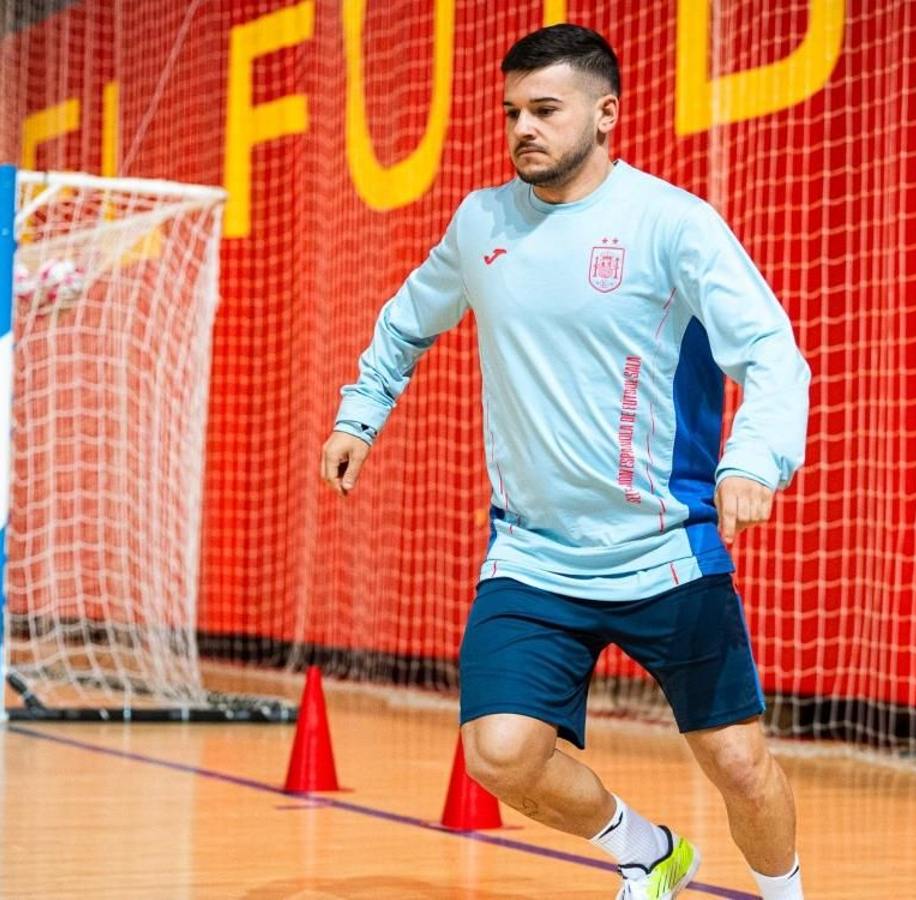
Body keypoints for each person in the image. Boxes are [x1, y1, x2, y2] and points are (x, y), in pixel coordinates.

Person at [320, 23, 810, 900]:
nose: (523, 129)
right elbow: (405, 321)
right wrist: (362, 413)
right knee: (499, 754)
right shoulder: (481, 225)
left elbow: (772, 353)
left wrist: (755, 459)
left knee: (739, 765)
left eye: (545, 109)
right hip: (536, 555)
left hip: (666, 548)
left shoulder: (672, 224)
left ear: (606, 113)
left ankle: (786, 894)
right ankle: (648, 850)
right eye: (511, 111)